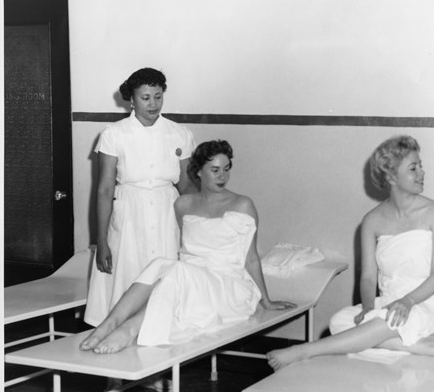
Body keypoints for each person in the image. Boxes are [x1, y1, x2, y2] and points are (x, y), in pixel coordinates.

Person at [267, 135, 434, 372]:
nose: (422, 172)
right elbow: (369, 277)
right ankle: (423, 347)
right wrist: (368, 308)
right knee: (339, 321)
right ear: (391, 176)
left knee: (387, 322)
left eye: (420, 165)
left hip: (426, 304)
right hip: (389, 303)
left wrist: (407, 302)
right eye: (414, 168)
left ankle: (306, 350)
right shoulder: (371, 220)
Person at [81, 139, 295, 354]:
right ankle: (108, 324)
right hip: (193, 279)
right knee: (161, 265)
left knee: (178, 271)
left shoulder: (242, 204)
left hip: (228, 285)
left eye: (226, 169)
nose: (223, 176)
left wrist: (265, 300)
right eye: (215, 170)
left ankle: (129, 329)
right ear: (199, 172)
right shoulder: (183, 204)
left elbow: (250, 258)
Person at [83, 68, 196, 392]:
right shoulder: (113, 134)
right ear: (130, 99)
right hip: (128, 217)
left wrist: (193, 234)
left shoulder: (179, 132)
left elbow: (187, 188)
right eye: (145, 97)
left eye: (158, 96)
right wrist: (101, 240)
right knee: (122, 290)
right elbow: (104, 189)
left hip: (166, 215)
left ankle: (155, 372)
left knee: (162, 291)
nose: (153, 104)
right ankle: (112, 382)